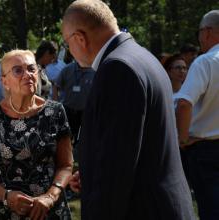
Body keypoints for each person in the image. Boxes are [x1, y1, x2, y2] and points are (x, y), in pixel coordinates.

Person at [62, 1, 195, 219]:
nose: (70, 51)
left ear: (79, 38)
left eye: (67, 44)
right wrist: (91, 171)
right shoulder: (142, 56)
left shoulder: (117, 68)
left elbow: (116, 167)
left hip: (142, 208)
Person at [0, 49, 73, 220]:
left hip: (47, 211)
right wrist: (6, 196)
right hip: (2, 210)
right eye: (18, 70)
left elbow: (65, 165)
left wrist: (50, 197)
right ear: (5, 82)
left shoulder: (55, 112)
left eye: (31, 68)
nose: (27, 74)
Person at [175, 10, 219, 220]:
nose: (199, 37)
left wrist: (181, 139)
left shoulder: (205, 62)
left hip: (205, 149)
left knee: (210, 208)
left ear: (208, 31)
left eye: (200, 32)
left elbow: (184, 103)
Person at [53, 61, 95, 146]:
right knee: (66, 134)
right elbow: (56, 85)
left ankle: (79, 150)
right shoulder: (67, 69)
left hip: (86, 111)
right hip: (68, 109)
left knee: (85, 136)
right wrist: (55, 102)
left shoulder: (94, 71)